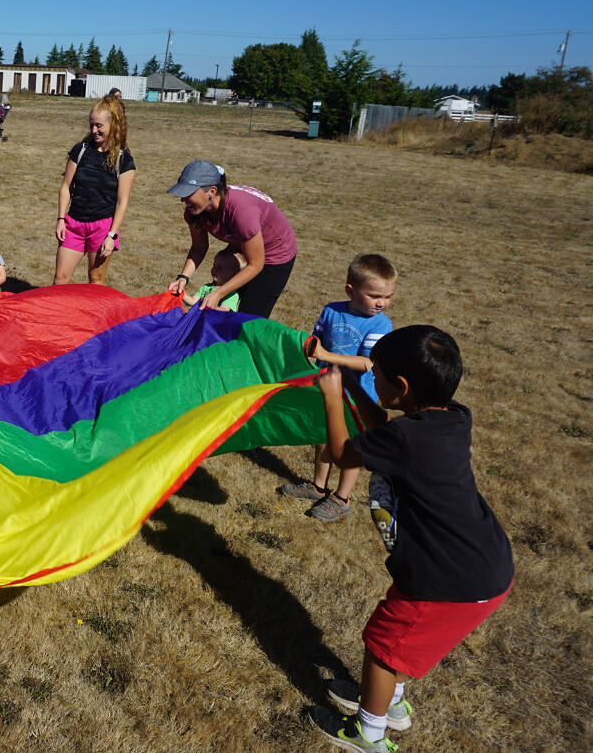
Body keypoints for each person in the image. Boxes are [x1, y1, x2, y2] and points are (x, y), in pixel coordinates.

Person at [312, 326, 513, 752]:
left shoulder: (406, 437)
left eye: (376, 375)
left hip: (449, 577)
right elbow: (384, 427)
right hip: (479, 563)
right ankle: (393, 703)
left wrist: (332, 396)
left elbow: (344, 453)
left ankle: (369, 732)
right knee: (402, 645)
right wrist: (351, 383)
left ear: (400, 388)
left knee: (384, 647)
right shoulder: (451, 418)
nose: (373, 379)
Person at [281, 254, 398, 525]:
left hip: (359, 398)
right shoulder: (331, 310)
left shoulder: (381, 324)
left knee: (352, 447)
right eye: (374, 295)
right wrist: (307, 346)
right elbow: (317, 339)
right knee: (322, 437)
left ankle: (342, 498)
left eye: (388, 296)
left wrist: (327, 355)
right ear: (350, 290)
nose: (381, 303)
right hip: (327, 389)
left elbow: (368, 362)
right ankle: (318, 486)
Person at [165, 160, 298, 319]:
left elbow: (256, 264)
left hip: (274, 255)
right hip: (242, 244)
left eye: (188, 194)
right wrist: (183, 278)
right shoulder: (193, 212)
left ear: (212, 191)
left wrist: (219, 293)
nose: (182, 200)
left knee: (247, 320)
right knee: (220, 312)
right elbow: (199, 247)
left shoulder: (241, 212)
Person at [53, 95, 136, 286]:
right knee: (60, 278)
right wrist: (61, 219)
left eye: (99, 125)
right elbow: (66, 187)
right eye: (91, 125)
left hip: (102, 229)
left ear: (114, 124)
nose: (93, 130)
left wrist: (112, 235)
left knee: (96, 280)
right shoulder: (80, 150)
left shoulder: (123, 161)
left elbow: (122, 202)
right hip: (73, 225)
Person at [178, 250, 245, 311]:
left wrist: (210, 306)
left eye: (220, 268)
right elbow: (193, 301)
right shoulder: (206, 287)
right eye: (214, 265)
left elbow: (225, 310)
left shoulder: (231, 294)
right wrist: (181, 293)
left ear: (233, 275)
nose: (214, 269)